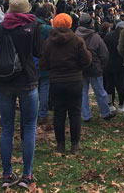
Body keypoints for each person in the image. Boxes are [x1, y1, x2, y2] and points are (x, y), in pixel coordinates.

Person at [0, 0, 43, 189]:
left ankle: (7, 173)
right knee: (29, 127)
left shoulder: (0, 27)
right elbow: (39, 52)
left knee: (7, 128)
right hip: (27, 80)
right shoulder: (32, 27)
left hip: (4, 80)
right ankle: (27, 174)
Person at [39, 13, 91, 153]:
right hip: (74, 80)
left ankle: (60, 144)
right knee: (74, 112)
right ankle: (75, 144)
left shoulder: (49, 42)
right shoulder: (77, 41)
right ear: (69, 24)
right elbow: (86, 60)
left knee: (59, 113)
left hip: (56, 81)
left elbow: (43, 64)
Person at [75, 13, 114, 122]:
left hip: (80, 69)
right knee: (100, 92)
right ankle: (105, 113)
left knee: (83, 93)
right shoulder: (95, 37)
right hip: (95, 68)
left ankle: (86, 116)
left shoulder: (75, 36)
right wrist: (103, 65)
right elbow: (104, 53)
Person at [34, 6, 53, 125]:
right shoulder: (48, 29)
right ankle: (43, 114)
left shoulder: (30, 26)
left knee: (33, 88)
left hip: (32, 60)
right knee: (45, 87)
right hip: (45, 60)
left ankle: (33, 113)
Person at [103, 21, 124, 113]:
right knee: (121, 86)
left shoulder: (108, 36)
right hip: (121, 64)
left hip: (108, 64)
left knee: (109, 85)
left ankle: (110, 104)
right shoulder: (123, 37)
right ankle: (121, 105)